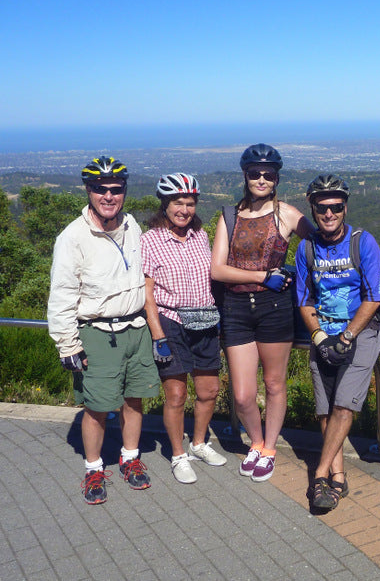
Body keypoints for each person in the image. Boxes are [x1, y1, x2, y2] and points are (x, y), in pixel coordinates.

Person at [48, 156, 161, 504]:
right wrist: (67, 344)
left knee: (134, 398)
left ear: (124, 190)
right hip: (97, 333)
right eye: (100, 188)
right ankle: (94, 468)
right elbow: (62, 294)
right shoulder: (73, 237)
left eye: (115, 189)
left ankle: (130, 458)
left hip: (136, 327)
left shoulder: (132, 226)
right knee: (96, 407)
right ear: (88, 190)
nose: (108, 196)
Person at [210, 144, 313, 482]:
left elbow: (322, 243)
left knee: (274, 383)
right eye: (255, 173)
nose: (262, 179)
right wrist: (263, 276)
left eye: (269, 174)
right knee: (242, 395)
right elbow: (217, 270)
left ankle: (268, 448)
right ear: (245, 176)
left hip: (275, 308)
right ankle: (255, 440)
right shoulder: (230, 216)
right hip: (237, 307)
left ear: (277, 179)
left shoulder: (287, 214)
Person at [295, 174, 380, 511]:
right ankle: (338, 476)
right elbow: (304, 299)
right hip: (323, 331)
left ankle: (319, 475)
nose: (329, 213)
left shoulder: (363, 242)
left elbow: (375, 295)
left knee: (344, 405)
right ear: (313, 210)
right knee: (325, 408)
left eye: (336, 206)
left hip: (360, 331)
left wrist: (347, 336)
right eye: (322, 208)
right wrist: (319, 336)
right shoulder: (306, 248)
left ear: (345, 208)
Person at [141, 173, 227, 484]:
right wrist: (158, 335)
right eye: (178, 203)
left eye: (190, 204)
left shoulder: (200, 236)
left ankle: (199, 443)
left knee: (209, 390)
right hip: (171, 321)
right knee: (176, 394)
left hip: (204, 320)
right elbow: (147, 293)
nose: (184, 210)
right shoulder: (149, 241)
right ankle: (178, 455)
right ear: (165, 204)